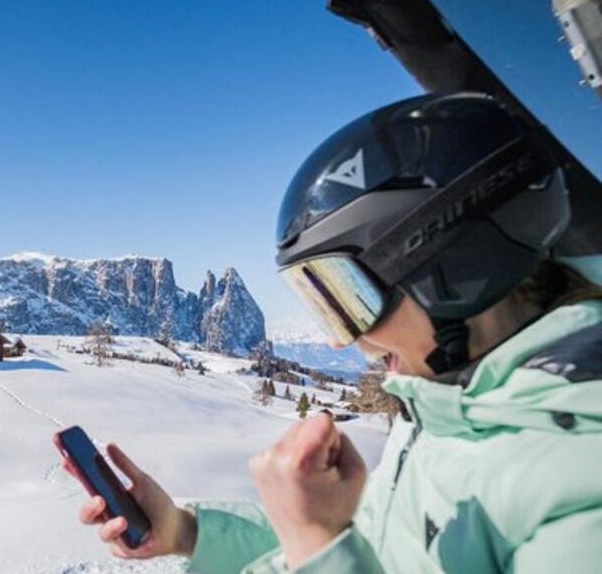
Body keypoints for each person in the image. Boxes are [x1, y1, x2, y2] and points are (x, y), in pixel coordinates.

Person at [61, 92, 602, 572]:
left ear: (452, 268)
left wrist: (316, 544)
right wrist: (187, 532)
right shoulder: (450, 410)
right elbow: (374, 547)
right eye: (323, 305)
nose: (340, 341)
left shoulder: (581, 491)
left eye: (349, 299)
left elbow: (339, 552)